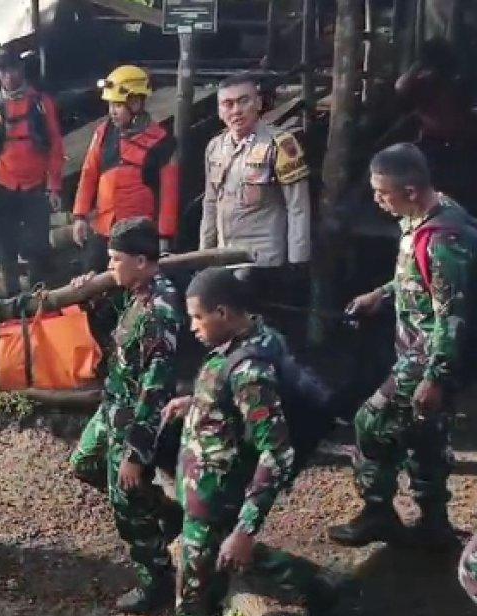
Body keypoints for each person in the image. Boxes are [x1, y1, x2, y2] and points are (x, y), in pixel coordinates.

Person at [163, 268, 335, 616]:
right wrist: (199, 403)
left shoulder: (250, 372)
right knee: (220, 571)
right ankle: (322, 588)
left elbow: (276, 453)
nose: (192, 328)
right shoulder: (250, 339)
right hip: (206, 495)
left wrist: (245, 530)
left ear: (222, 312)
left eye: (197, 318)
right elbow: (234, 403)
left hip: (218, 499)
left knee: (196, 599)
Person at [328, 144, 469, 548]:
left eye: (382, 192)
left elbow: (452, 316)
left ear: (410, 190)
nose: (376, 200)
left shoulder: (445, 239)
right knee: (424, 433)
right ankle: (434, 523)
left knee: (370, 423)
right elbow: (420, 278)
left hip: (427, 357)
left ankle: (377, 512)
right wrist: (381, 294)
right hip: (418, 350)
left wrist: (436, 378)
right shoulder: (422, 216)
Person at [67, 217, 183, 613]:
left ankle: (158, 585)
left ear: (140, 260)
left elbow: (156, 392)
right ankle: (165, 511)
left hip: (133, 421)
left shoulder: (159, 314)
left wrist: (136, 453)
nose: (110, 266)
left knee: (128, 505)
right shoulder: (134, 291)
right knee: (83, 462)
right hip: (112, 407)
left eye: (115, 259)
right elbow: (112, 328)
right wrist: (90, 295)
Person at [201, 73, 311, 308]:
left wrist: (297, 261)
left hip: (263, 260)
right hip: (224, 257)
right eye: (228, 104)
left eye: (244, 101)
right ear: (220, 111)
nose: (236, 111)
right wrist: (205, 253)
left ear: (258, 103)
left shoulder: (279, 144)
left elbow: (298, 206)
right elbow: (210, 203)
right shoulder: (215, 148)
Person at [0, 46, 66, 296]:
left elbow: (56, 146)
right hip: (2, 185)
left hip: (35, 185)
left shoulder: (41, 104)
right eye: (2, 70)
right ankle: (12, 296)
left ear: (21, 68)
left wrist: (54, 185)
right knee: (5, 245)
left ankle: (38, 293)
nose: (9, 75)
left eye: (13, 68)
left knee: (38, 243)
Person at [72, 66, 178, 274]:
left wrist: (165, 237)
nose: (112, 110)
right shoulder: (103, 133)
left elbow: (169, 194)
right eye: (111, 104)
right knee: (89, 284)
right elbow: (89, 173)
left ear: (136, 103)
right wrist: (80, 216)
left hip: (138, 235)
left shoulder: (162, 141)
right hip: (103, 229)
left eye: (118, 105)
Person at [394, 39, 477, 216]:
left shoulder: (461, 82)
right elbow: (401, 88)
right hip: (435, 143)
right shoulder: (423, 83)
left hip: (463, 143)